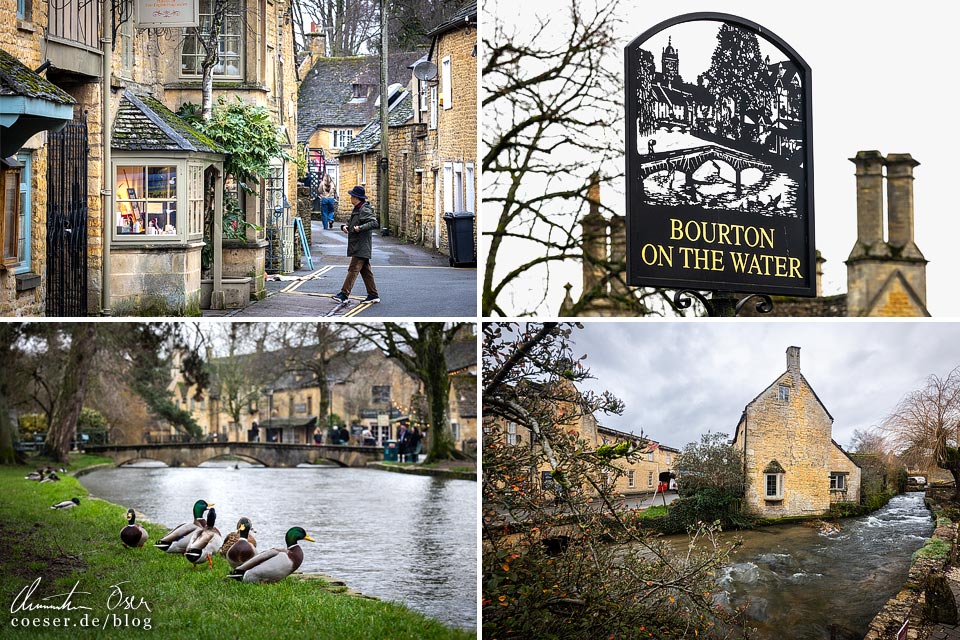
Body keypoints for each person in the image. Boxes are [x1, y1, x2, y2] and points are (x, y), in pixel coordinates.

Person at [333, 186, 380, 304]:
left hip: (361, 245)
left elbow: (374, 223)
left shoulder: (364, 209)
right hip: (358, 245)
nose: (350, 198)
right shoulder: (357, 208)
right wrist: (345, 227)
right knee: (366, 271)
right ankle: (373, 295)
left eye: (352, 196)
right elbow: (352, 222)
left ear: (356, 197)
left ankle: (344, 294)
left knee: (353, 269)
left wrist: (360, 228)